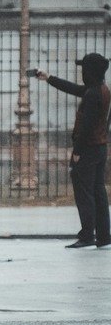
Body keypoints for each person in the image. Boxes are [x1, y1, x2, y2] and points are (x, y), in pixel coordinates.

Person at [36, 54, 110, 248]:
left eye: (84, 69)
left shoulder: (93, 94)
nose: (82, 72)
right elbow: (74, 89)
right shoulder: (100, 90)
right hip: (100, 148)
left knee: (84, 193)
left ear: (90, 71)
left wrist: (77, 152)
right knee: (98, 191)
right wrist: (49, 78)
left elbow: (87, 126)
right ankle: (103, 236)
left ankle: (87, 236)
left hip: (88, 149)